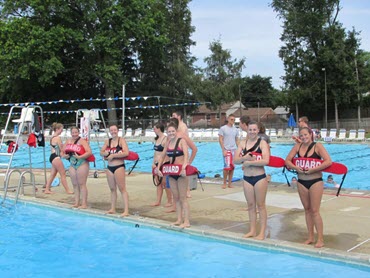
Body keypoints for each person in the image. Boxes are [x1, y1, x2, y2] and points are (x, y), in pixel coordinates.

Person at [285, 127, 332, 248]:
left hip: (315, 181)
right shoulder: (297, 147)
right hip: (301, 181)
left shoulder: (318, 146)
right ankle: (310, 237)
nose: (304, 137)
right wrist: (296, 168)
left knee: (315, 211)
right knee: (307, 210)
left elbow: (328, 162)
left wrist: (313, 170)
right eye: (301, 136)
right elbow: (287, 161)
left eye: (306, 135)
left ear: (311, 135)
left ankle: (320, 238)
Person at [234, 121, 270, 240]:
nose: (252, 132)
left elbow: (266, 161)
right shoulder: (242, 143)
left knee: (261, 205)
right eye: (250, 130)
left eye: (254, 130)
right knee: (250, 205)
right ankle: (252, 230)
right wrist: (244, 158)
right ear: (247, 130)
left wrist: (249, 162)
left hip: (260, 177)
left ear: (258, 130)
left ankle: (262, 232)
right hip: (247, 178)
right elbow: (235, 160)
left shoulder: (262, 143)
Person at [156, 122, 190, 228]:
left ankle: (187, 221)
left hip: (181, 172)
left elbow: (186, 155)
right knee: (176, 197)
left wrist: (184, 167)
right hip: (172, 172)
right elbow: (162, 156)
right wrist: (158, 168)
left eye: (173, 131)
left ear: (176, 131)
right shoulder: (168, 143)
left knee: (183, 198)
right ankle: (179, 219)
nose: (171, 133)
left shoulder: (182, 141)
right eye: (169, 131)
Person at [100, 125, 130, 216]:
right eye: (111, 130)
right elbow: (101, 152)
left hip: (119, 166)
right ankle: (112, 208)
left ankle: (126, 210)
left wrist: (113, 155)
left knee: (122, 189)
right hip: (110, 168)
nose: (113, 131)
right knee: (112, 189)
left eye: (115, 130)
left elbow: (126, 153)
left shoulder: (121, 140)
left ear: (118, 131)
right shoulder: (107, 141)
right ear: (109, 131)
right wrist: (106, 153)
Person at [63, 126, 92, 209]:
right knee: (75, 184)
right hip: (72, 164)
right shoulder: (68, 141)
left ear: (78, 133)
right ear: (70, 133)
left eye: (76, 132)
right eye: (73, 133)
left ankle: (84, 203)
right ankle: (76, 202)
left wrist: (80, 157)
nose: (74, 134)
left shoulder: (82, 141)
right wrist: (64, 156)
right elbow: (62, 152)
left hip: (82, 163)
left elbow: (89, 152)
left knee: (82, 184)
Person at [169, 115, 197, 198]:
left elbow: (194, 149)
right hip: (173, 166)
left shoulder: (182, 134)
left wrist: (189, 161)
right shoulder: (169, 137)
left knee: (183, 194)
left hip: (182, 159)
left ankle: (187, 190)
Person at [44, 122, 73, 194]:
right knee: (63, 174)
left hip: (52, 156)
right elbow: (62, 149)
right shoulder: (57, 138)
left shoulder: (52, 137)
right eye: (61, 130)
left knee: (53, 174)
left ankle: (47, 189)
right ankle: (67, 190)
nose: (62, 131)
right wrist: (67, 144)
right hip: (56, 157)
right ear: (57, 129)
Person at [151, 122, 173, 207]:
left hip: (164, 163)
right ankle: (158, 201)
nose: (154, 130)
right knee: (158, 183)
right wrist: (153, 163)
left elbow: (166, 153)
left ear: (159, 129)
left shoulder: (165, 139)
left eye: (155, 128)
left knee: (165, 183)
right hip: (156, 164)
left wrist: (164, 163)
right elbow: (156, 153)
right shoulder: (156, 139)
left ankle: (170, 201)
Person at [218, 114, 240, 189]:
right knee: (226, 167)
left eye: (234, 120)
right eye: (231, 119)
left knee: (232, 167)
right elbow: (220, 139)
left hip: (233, 150)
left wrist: (239, 149)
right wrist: (223, 149)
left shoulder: (236, 129)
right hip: (227, 150)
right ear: (228, 119)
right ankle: (224, 182)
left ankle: (230, 183)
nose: (233, 121)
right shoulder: (223, 128)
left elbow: (237, 140)